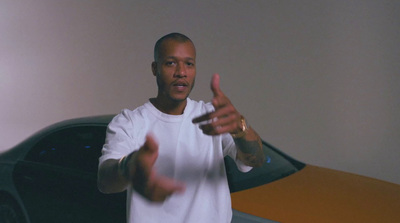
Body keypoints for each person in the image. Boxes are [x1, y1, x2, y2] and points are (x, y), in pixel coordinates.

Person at [97, 32, 265, 223]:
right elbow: (104, 181)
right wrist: (130, 165)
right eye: (171, 63)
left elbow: (255, 160)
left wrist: (239, 128)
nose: (181, 72)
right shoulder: (130, 122)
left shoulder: (210, 116)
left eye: (189, 64)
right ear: (155, 68)